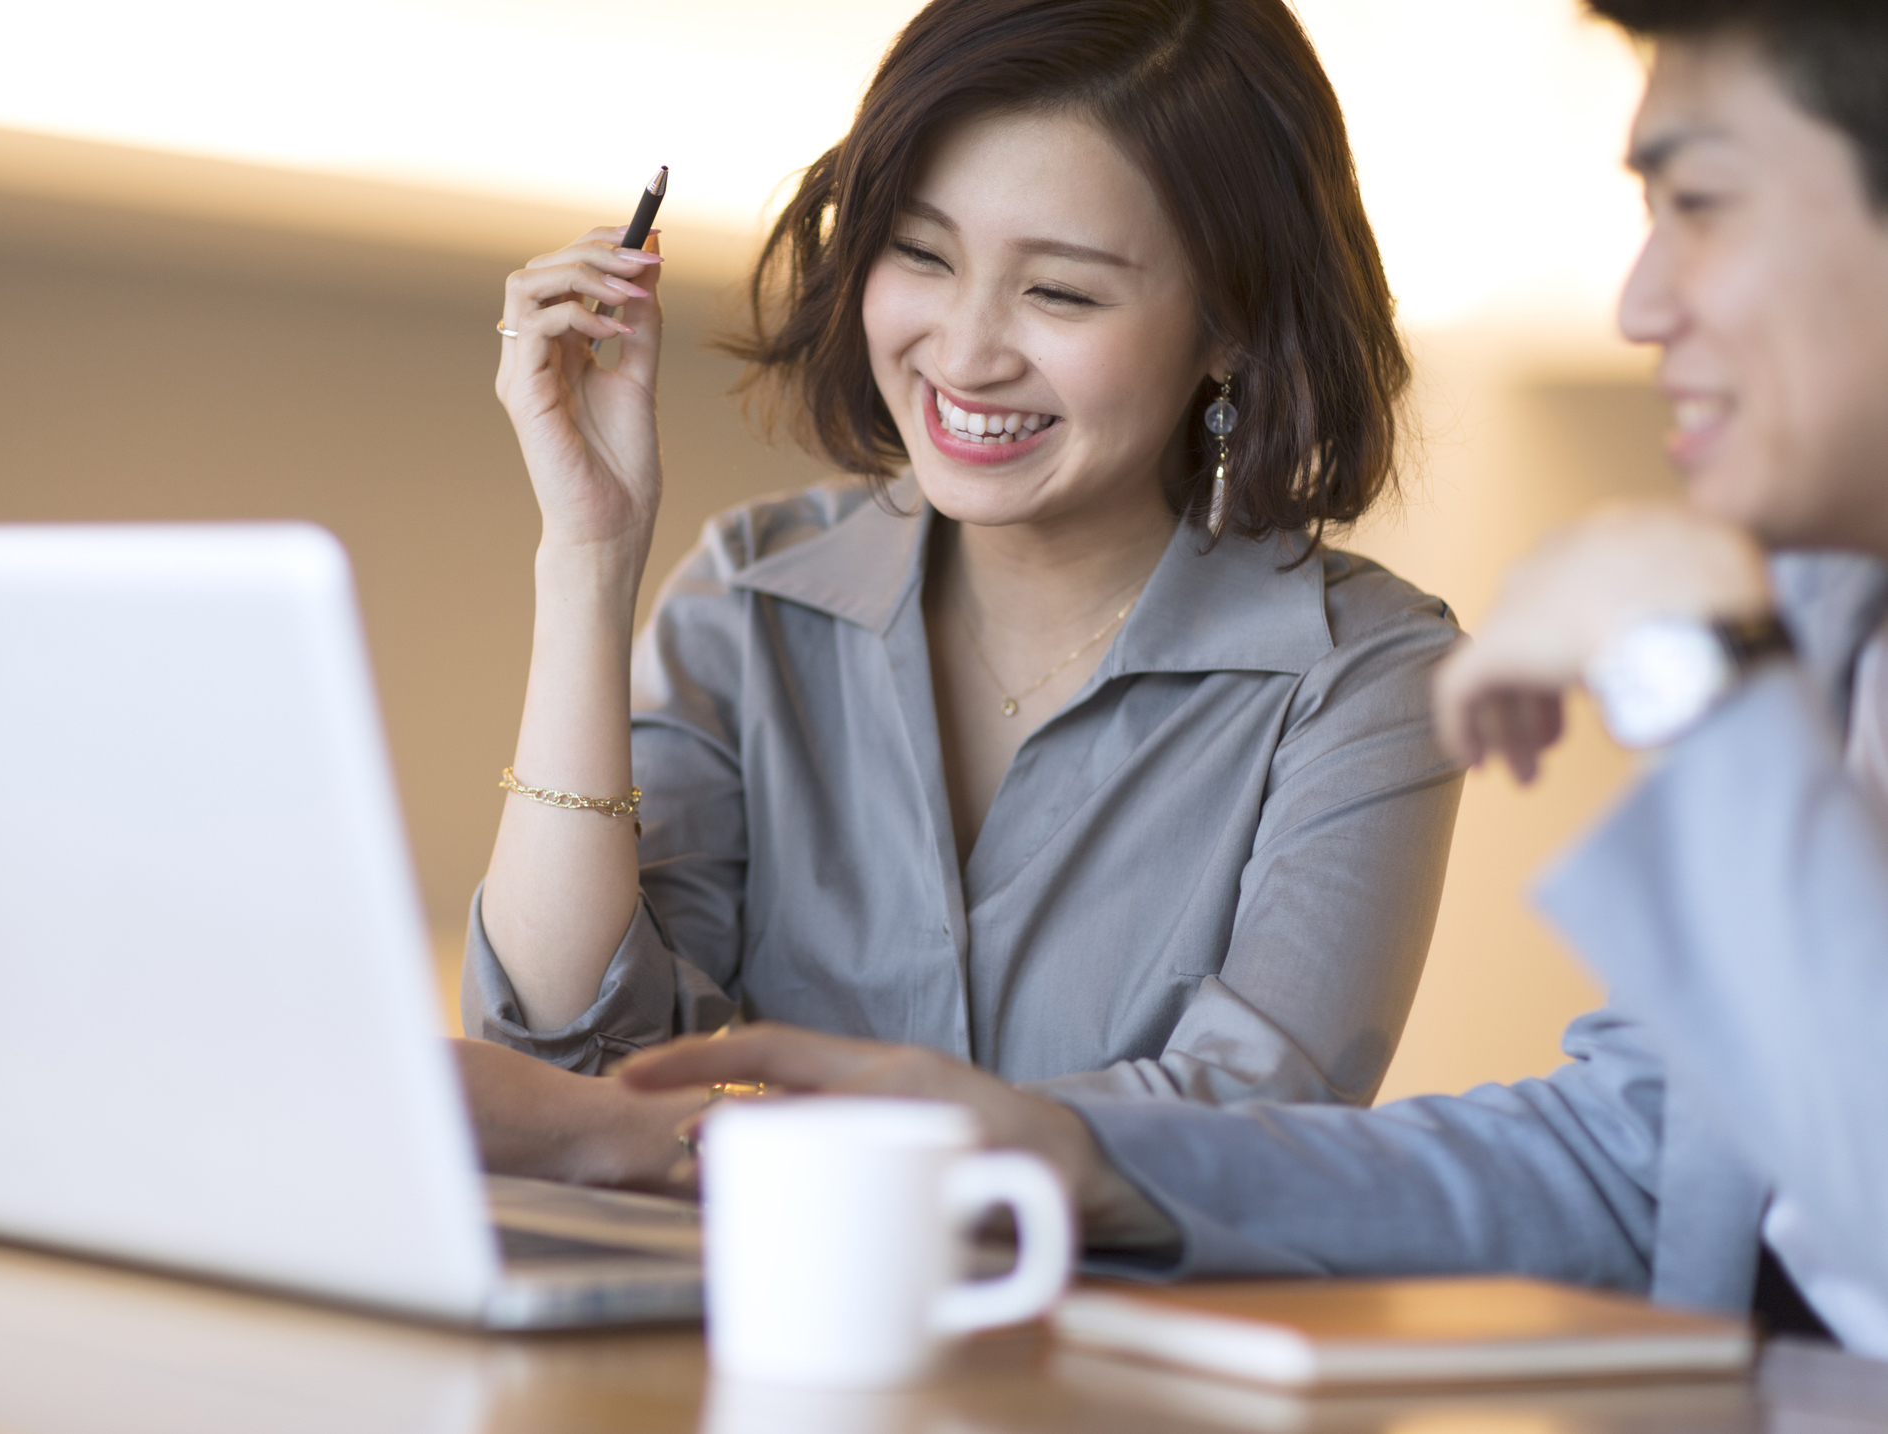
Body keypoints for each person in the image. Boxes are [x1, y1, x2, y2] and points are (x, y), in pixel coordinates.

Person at [618, 0, 1888, 1352]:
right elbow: (1636, 1159)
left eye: (1699, 201)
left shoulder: (1673, 662)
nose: (1638, 302)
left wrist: (1699, 683)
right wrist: (1058, 1144)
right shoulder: (1825, 620)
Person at [463, 0, 1464, 1186]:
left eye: (1062, 294)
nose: (965, 350)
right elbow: (572, 1057)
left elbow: (1236, 1135)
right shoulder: (750, 598)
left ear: (1230, 327)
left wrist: (663, 1138)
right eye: (922, 255)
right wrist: (588, 555)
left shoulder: (1366, 678)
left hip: (1109, 1368)